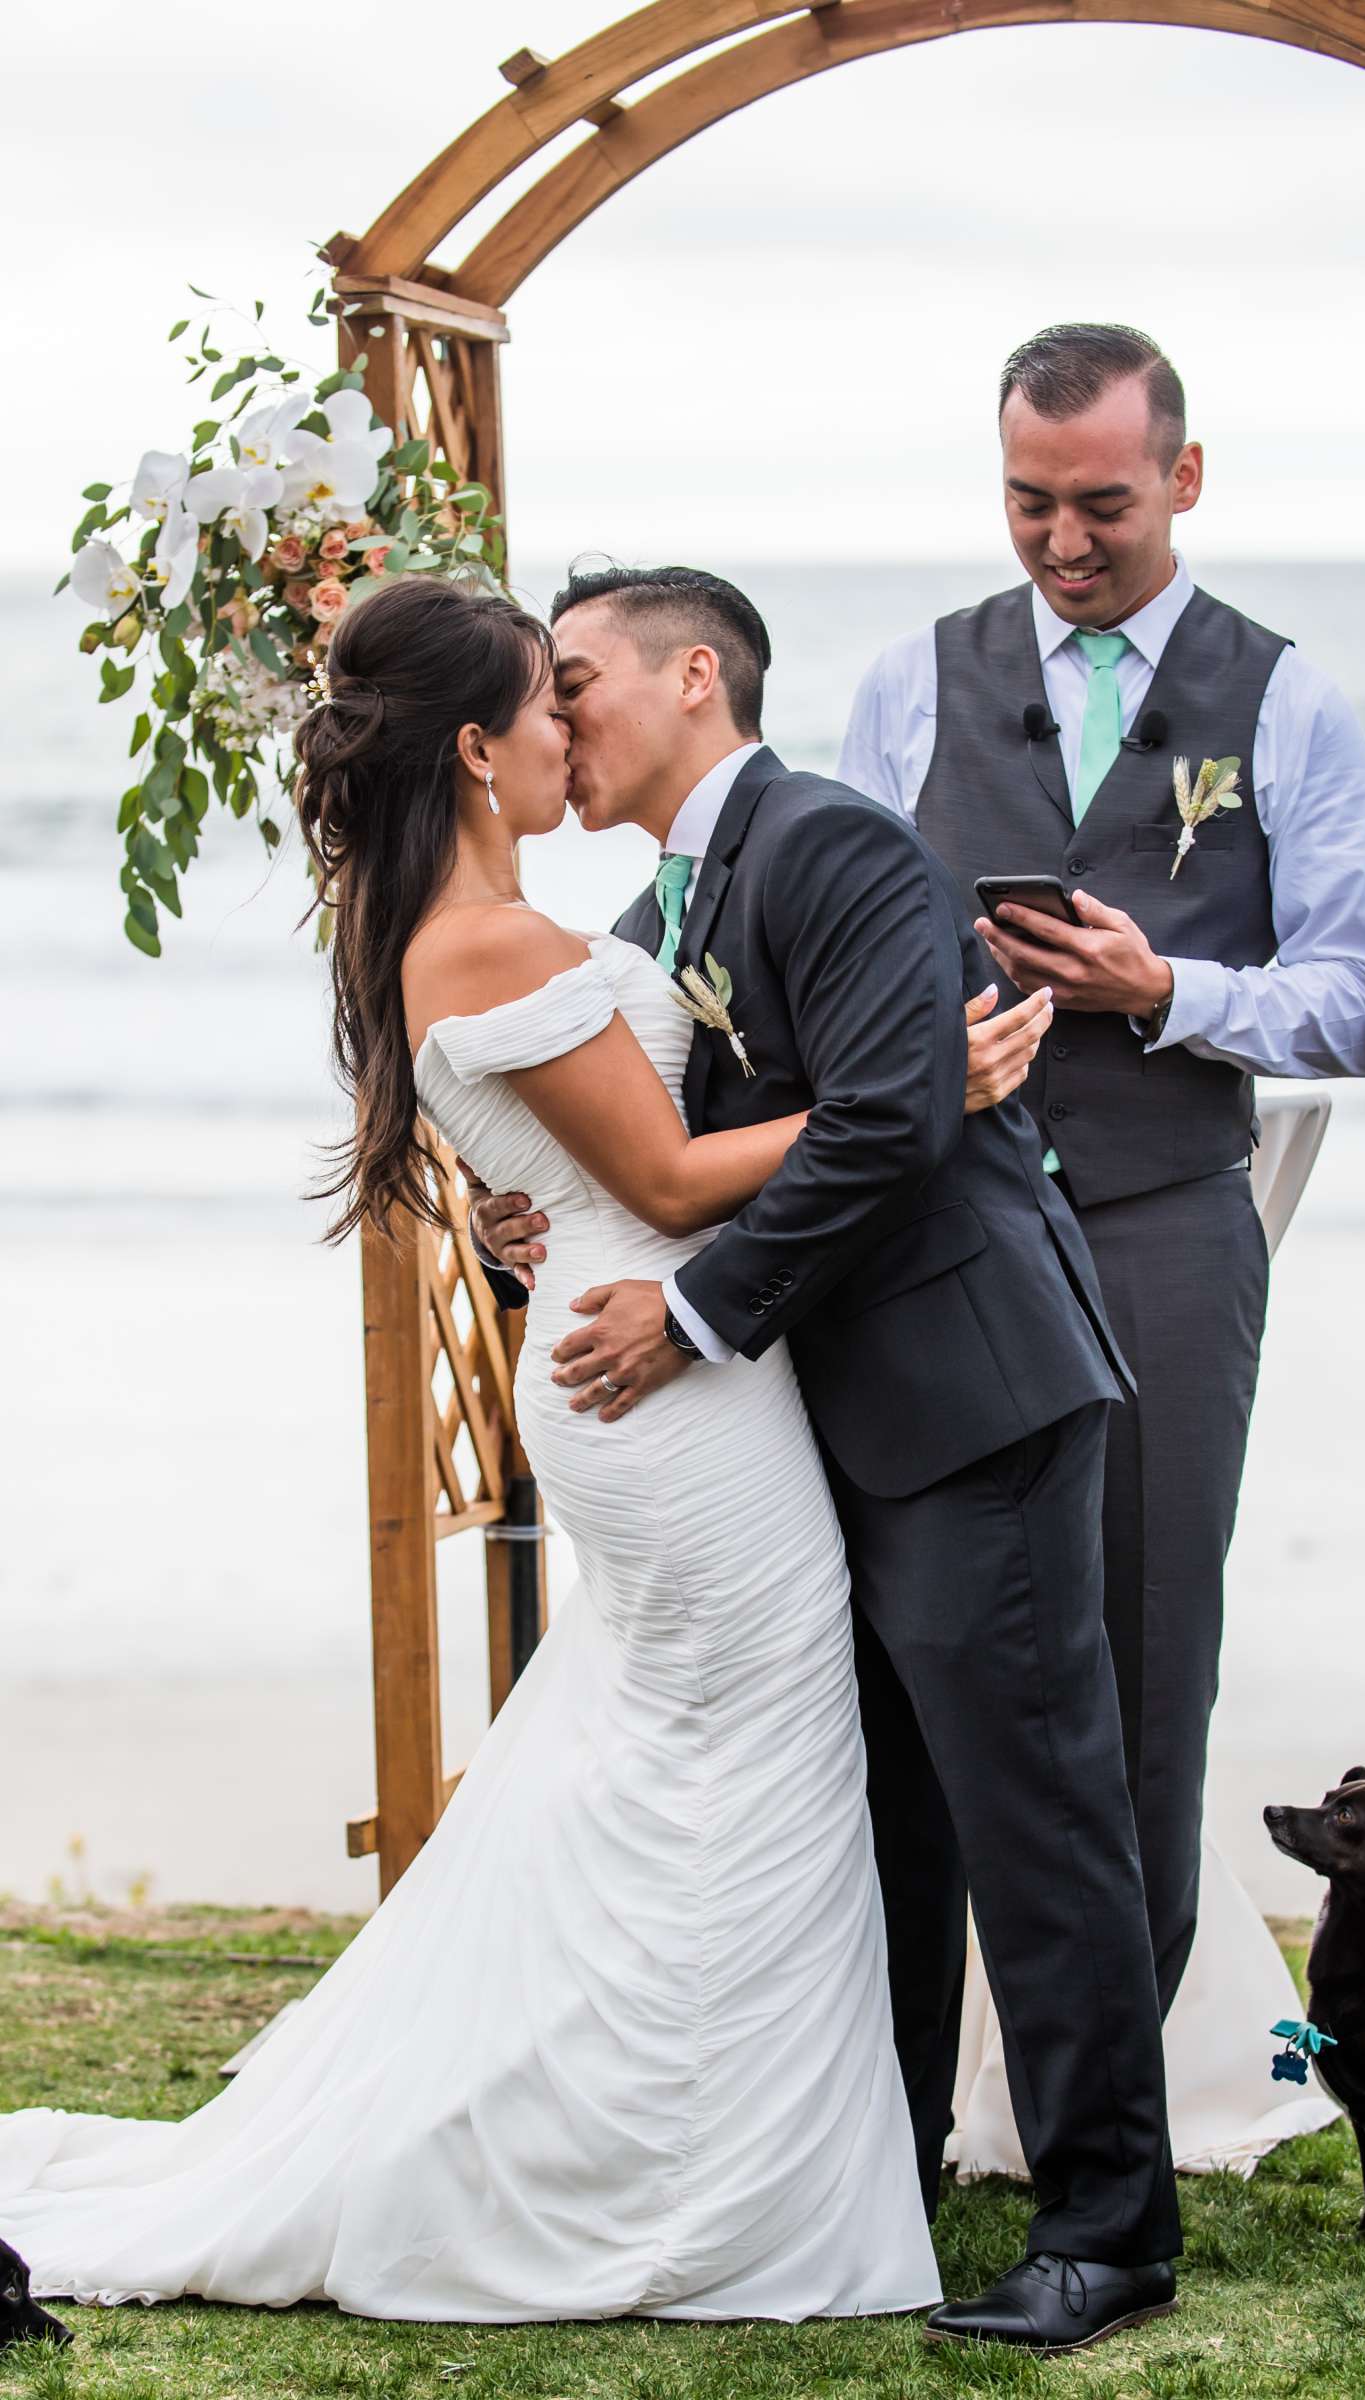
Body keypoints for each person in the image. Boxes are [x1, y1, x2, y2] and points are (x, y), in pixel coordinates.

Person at [0, 576, 1046, 2328]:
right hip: (662, 1378)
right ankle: (690, 2168)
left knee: (686, 1757)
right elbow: (663, 1180)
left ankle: (714, 2140)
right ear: (480, 749)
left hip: (649, 1359)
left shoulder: (485, 925)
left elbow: (577, 1167)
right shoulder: (487, 943)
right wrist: (931, 1085)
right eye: (547, 708)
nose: (574, 729)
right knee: (739, 1750)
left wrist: (532, 1201)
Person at [472, 562, 1183, 2356]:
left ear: (694, 675)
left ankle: (1111, 2231)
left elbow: (885, 1122)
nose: (558, 719)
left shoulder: (839, 845)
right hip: (822, 1432)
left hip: (969, 1395)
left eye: (578, 682)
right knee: (891, 1823)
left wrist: (695, 1316)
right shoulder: (655, 903)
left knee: (1037, 1820)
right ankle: (900, 2167)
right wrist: (530, 1211)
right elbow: (667, 1145)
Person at [837, 323, 1365, 2015]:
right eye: (1029, 504)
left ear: (1185, 476)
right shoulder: (904, 684)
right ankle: (912, 2085)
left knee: (1148, 1657)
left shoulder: (1286, 694)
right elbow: (821, 949)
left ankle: (1113, 2106)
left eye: (1103, 504)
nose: (1067, 541)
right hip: (942, 1229)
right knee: (918, 1644)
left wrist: (1168, 993)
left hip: (1170, 1224)